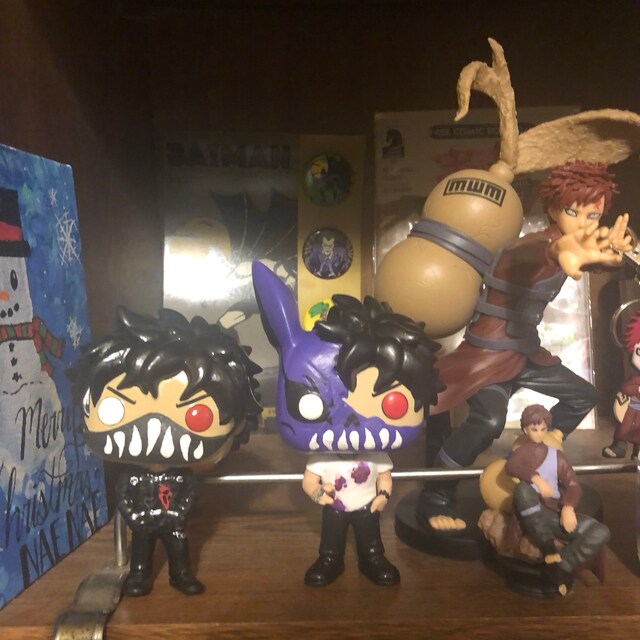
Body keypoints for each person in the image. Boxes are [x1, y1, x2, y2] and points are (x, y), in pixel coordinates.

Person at [419, 160, 632, 532]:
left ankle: (542, 447)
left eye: (592, 215)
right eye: (572, 212)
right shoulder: (530, 246)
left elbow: (583, 255)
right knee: (487, 422)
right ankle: (435, 496)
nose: (582, 222)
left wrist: (613, 255)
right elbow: (549, 251)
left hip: (525, 354)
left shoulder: (573, 246)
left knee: (583, 395)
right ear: (552, 208)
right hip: (488, 357)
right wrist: (566, 251)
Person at [252, 260, 443, 586]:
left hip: (367, 505)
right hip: (335, 506)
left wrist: (383, 495)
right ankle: (330, 560)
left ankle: (373, 559)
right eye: (313, 406)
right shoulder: (322, 458)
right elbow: (309, 481)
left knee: (371, 539)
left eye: (392, 405)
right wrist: (318, 495)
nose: (352, 425)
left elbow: (385, 477)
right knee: (331, 539)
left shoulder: (376, 455)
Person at [68, 306, 261, 596]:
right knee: (141, 551)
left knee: (179, 548)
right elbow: (124, 498)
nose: (153, 429)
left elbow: (189, 495)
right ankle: (139, 576)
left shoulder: (181, 476)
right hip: (143, 524)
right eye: (113, 410)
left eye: (196, 416)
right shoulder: (132, 477)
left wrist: (177, 514)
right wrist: (136, 518)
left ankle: (180, 574)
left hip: (173, 522)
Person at [505, 404, 610, 595]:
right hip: (530, 512)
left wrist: (568, 507)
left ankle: (562, 566)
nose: (539, 434)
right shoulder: (521, 452)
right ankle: (548, 548)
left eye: (543, 429)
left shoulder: (556, 456)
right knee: (522, 490)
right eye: (534, 429)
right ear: (525, 430)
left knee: (600, 531)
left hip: (553, 513)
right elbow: (511, 466)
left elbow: (573, 485)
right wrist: (535, 478)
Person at [603, 310, 640, 459]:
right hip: (631, 409)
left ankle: (638, 451)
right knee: (623, 429)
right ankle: (619, 447)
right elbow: (626, 388)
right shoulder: (635, 378)